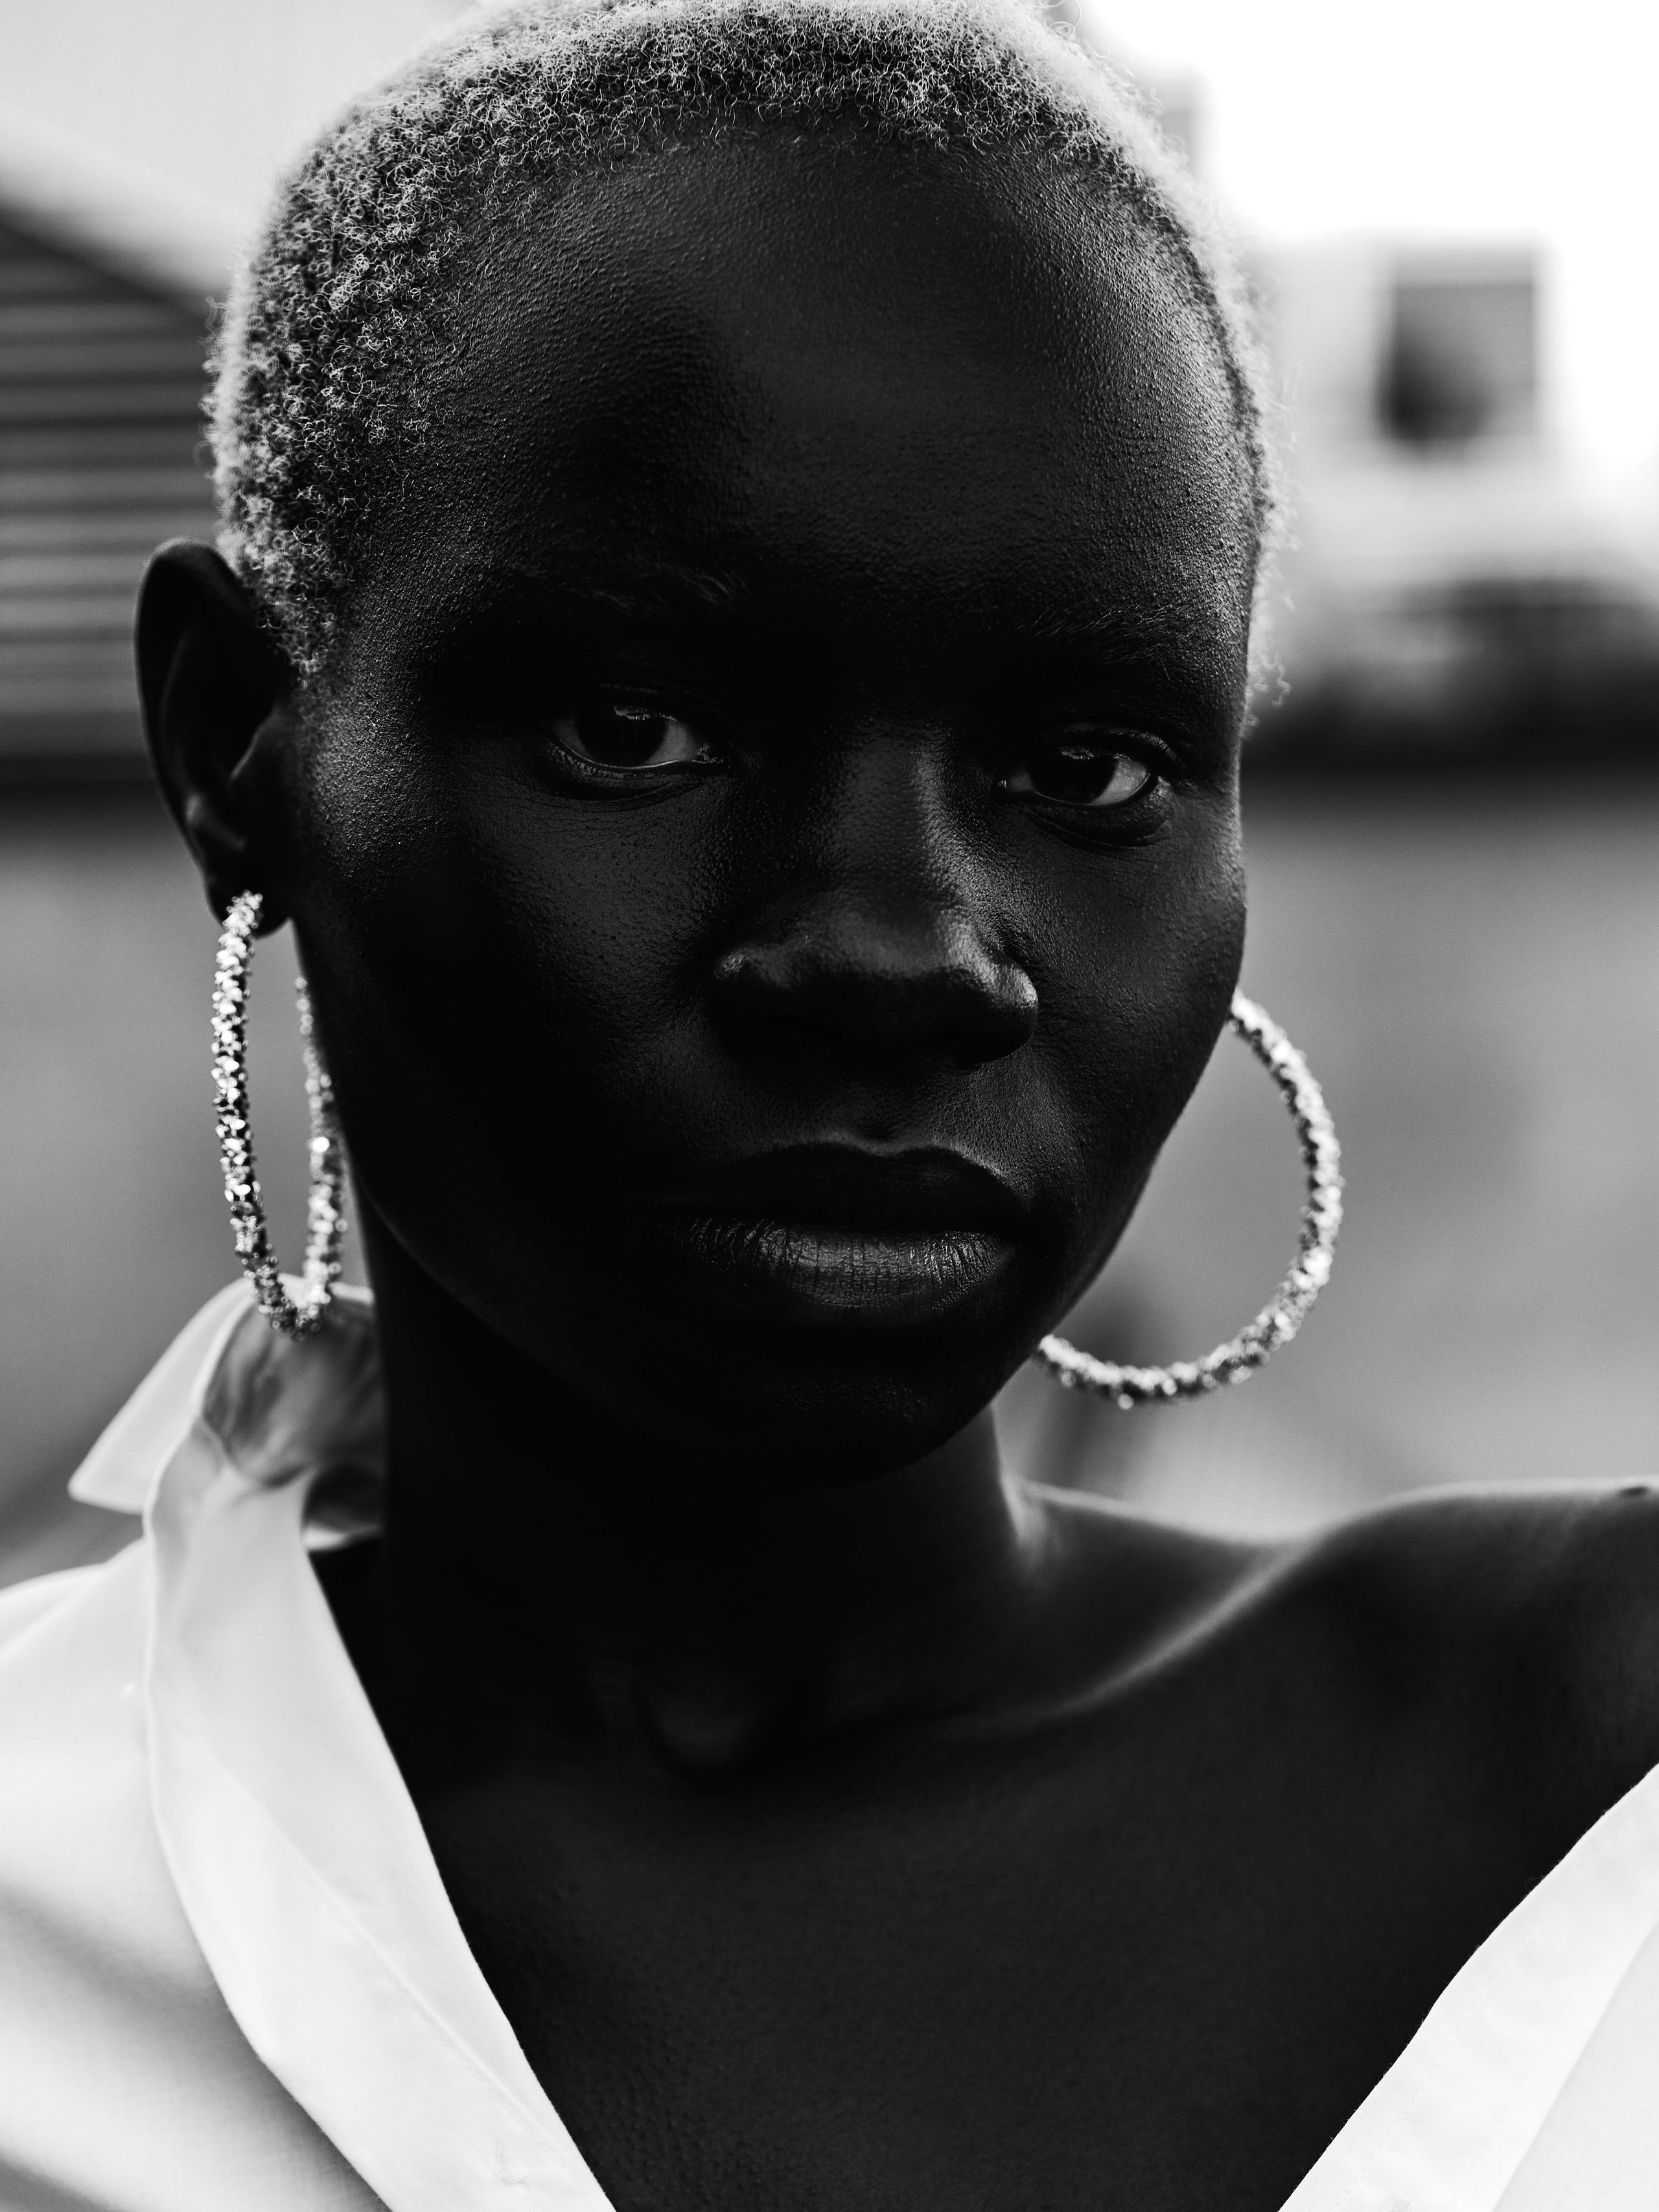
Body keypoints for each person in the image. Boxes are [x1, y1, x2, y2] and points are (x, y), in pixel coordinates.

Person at [4, 3, 1659, 2206]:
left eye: (1085, 770)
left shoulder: (1606, 1763)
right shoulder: (38, 1895)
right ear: (241, 744)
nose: (901, 951)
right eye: (634, 725)